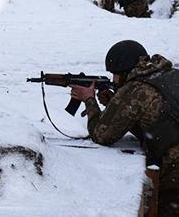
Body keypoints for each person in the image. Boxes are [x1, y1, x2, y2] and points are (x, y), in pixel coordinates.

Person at [70, 40, 179, 215]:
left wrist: (89, 100)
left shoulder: (136, 89)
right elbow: (158, 117)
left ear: (123, 70)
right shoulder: (170, 74)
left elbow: (102, 135)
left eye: (114, 74)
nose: (113, 79)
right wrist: (116, 104)